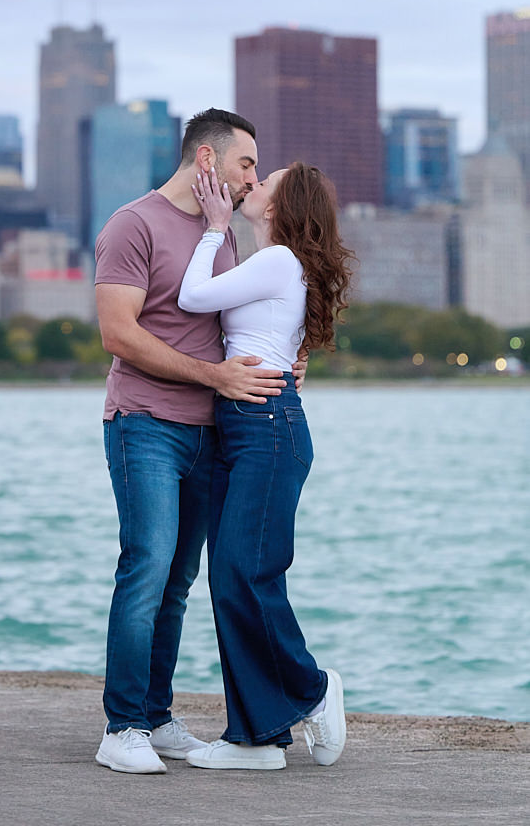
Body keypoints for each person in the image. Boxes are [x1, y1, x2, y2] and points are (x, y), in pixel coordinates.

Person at [94, 108, 295, 776]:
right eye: (246, 165)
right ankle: (121, 726)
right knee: (146, 566)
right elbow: (119, 334)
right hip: (145, 423)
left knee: (179, 582)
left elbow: (238, 320)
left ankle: (155, 715)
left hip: (213, 430)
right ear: (207, 160)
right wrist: (212, 374)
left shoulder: (224, 235)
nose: (253, 179)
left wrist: (287, 359)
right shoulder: (134, 223)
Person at [177, 161, 353, 770]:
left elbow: (193, 296)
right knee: (233, 578)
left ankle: (311, 689)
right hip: (247, 426)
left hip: (267, 429)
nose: (253, 183)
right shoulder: (270, 263)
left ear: (284, 205)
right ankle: (255, 738)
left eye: (266, 180)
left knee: (242, 573)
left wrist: (212, 227)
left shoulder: (277, 261)